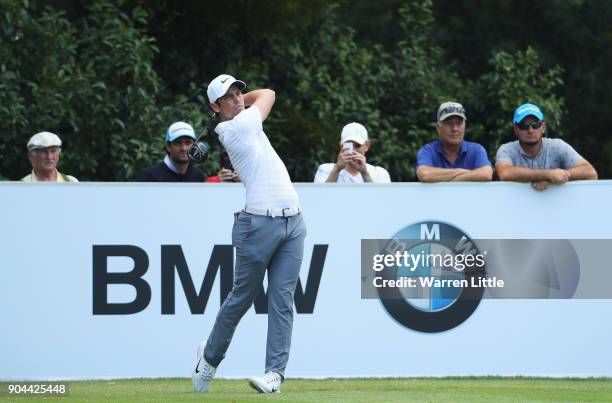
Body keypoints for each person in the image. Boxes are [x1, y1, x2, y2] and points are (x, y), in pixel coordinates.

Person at [192, 74, 306, 394]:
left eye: (239, 92)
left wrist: (233, 101)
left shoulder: (240, 116)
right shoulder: (234, 128)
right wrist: (227, 110)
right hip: (258, 227)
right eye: (228, 97)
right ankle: (210, 359)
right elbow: (268, 93)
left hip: (293, 223)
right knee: (242, 298)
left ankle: (274, 375)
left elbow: (261, 94)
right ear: (215, 106)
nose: (238, 98)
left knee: (281, 301)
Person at [496, 103, 597, 191]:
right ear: (516, 129)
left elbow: (590, 173)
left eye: (535, 125)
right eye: (524, 125)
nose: (530, 130)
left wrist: (556, 177)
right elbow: (504, 173)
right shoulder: (506, 149)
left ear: (543, 127)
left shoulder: (558, 145)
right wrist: (548, 175)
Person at [416, 102, 492, 182]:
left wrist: (445, 178)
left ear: (464, 126)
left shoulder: (476, 149)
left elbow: (486, 174)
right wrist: (462, 171)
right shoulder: (428, 150)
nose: (454, 129)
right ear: (438, 128)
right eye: (448, 123)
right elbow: (425, 174)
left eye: (459, 123)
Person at [313, 122, 391, 183]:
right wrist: (337, 169)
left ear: (367, 146)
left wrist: (364, 173)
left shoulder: (380, 173)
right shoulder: (325, 170)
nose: (353, 151)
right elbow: (320, 198)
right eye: (348, 146)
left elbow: (382, 201)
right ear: (341, 146)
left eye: (357, 146)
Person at [134, 122, 205, 182]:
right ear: (168, 146)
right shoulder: (149, 176)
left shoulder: (198, 176)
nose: (184, 148)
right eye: (178, 143)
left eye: (188, 143)